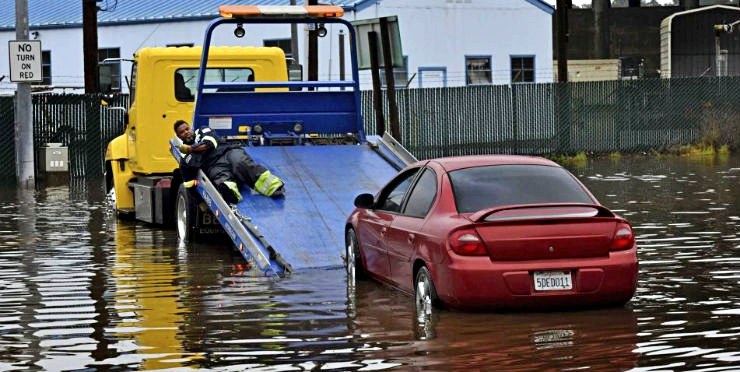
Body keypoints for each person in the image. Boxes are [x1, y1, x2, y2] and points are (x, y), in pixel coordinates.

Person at [173, 120, 285, 203]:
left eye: (187, 129)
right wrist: (200, 202)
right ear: (179, 136)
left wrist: (191, 148)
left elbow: (209, 143)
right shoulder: (184, 159)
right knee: (223, 181)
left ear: (191, 128)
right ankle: (231, 194)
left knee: (241, 163)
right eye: (182, 132)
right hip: (214, 166)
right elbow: (189, 184)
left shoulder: (202, 130)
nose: (186, 132)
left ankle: (273, 187)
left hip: (228, 152)